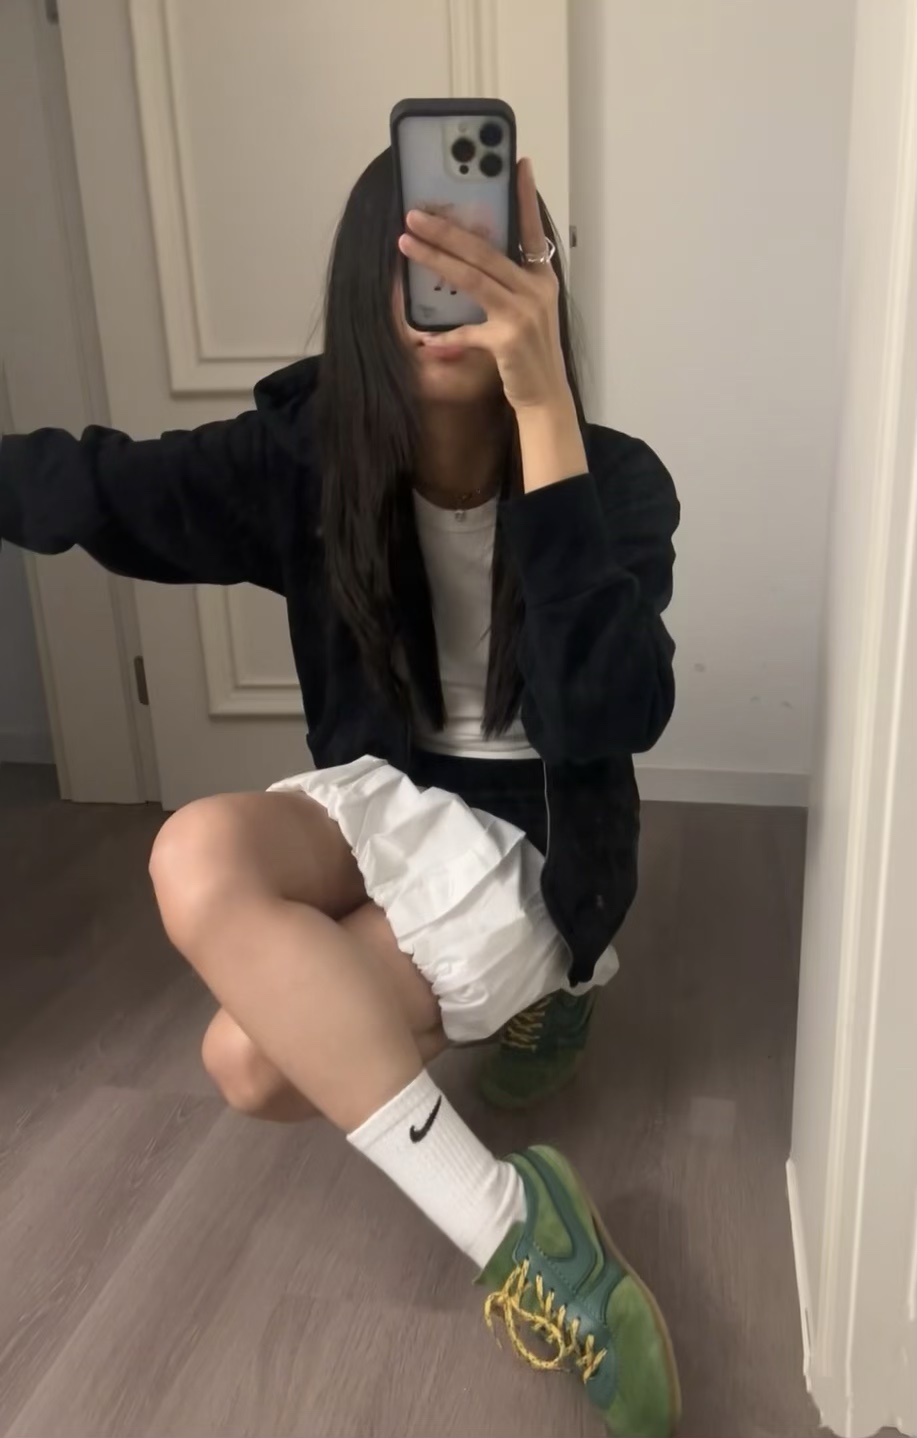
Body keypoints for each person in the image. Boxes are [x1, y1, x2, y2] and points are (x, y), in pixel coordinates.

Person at [0, 150, 681, 1435]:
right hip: (380, 793)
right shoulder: (307, 457)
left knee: (251, 1060)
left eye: (484, 256)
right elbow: (106, 484)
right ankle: (517, 1228)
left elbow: (608, 714)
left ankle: (563, 983)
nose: (446, 291)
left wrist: (543, 412)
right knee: (193, 852)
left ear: (538, 284)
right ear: (364, 293)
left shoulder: (617, 479)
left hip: (536, 834)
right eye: (412, 261)